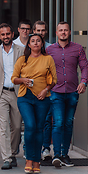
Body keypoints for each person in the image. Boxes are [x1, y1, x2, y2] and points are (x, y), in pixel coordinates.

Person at [12, 33, 57, 174]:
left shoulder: (48, 59)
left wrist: (46, 90)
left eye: (38, 41)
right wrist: (23, 80)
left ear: (42, 44)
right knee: (30, 125)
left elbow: (54, 80)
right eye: (33, 41)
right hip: (25, 97)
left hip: (42, 98)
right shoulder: (22, 59)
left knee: (39, 129)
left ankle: (37, 161)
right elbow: (14, 78)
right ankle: (29, 159)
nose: (36, 43)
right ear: (29, 45)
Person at [46, 22, 88, 168]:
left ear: (69, 32)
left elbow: (84, 66)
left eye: (65, 30)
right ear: (57, 33)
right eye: (60, 30)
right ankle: (57, 155)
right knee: (57, 122)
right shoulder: (49, 50)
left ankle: (65, 154)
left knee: (68, 123)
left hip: (72, 92)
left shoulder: (77, 49)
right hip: (55, 92)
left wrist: (83, 82)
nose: (63, 32)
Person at [0, 23, 24, 170]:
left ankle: (13, 153)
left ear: (12, 34)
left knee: (17, 126)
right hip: (0, 93)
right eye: (3, 34)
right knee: (3, 126)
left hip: (18, 93)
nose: (6, 36)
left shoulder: (21, 50)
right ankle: (6, 158)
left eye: (8, 34)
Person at [33, 20, 53, 160]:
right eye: (38, 30)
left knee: (46, 120)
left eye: (43, 30)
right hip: (32, 90)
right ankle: (30, 147)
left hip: (48, 90)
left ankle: (46, 148)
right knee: (32, 121)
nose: (41, 33)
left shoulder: (51, 48)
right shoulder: (28, 49)